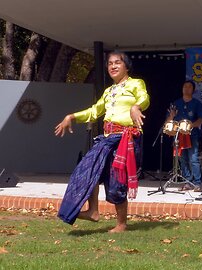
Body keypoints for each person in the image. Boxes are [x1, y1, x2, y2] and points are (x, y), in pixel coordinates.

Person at [55, 51, 150, 233]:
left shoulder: (136, 83)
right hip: (108, 138)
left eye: (117, 63)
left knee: (116, 181)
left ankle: (121, 224)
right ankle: (93, 211)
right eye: (110, 64)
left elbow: (144, 98)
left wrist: (136, 107)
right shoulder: (109, 91)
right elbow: (95, 111)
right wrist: (71, 116)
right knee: (87, 169)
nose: (113, 66)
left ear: (126, 66)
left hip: (125, 138)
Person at [165, 80, 202, 192]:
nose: (186, 88)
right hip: (178, 135)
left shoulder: (197, 104)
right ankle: (187, 182)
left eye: (189, 87)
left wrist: (191, 125)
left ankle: (197, 183)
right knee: (182, 159)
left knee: (193, 159)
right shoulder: (176, 103)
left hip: (192, 135)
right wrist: (171, 116)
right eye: (185, 86)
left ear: (193, 90)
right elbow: (168, 120)